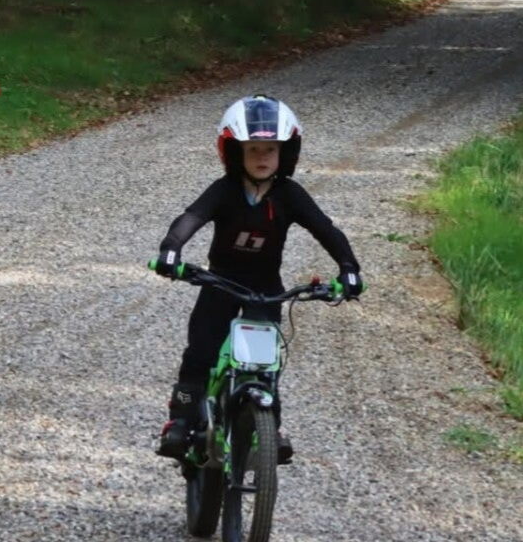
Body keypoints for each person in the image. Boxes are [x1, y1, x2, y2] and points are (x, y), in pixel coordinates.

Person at [149, 95, 364, 462]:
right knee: (200, 354)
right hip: (220, 283)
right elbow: (192, 217)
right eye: (253, 150)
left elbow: (325, 229)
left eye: (270, 149)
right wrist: (171, 250)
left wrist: (349, 268)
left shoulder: (290, 195)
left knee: (265, 366)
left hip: (266, 290)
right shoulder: (225, 190)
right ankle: (180, 420)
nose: (262, 157)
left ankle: (270, 427)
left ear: (286, 153)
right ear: (235, 153)